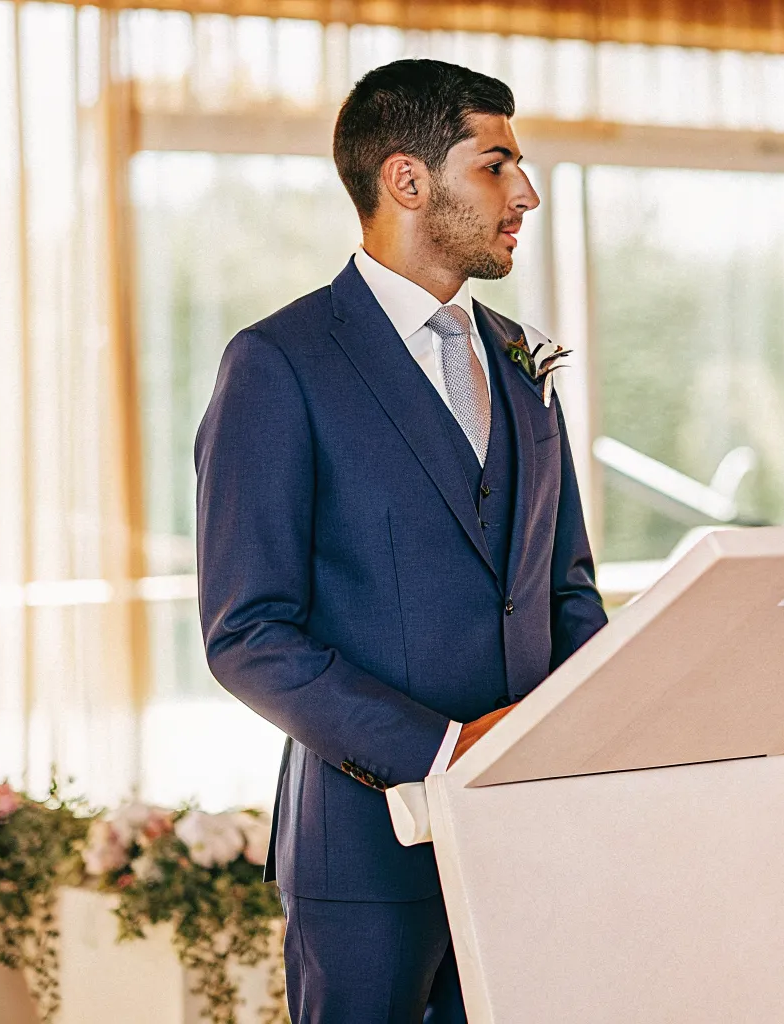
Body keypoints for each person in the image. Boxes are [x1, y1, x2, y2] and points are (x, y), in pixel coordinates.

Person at [194, 58, 606, 1024]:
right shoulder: (279, 364)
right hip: (367, 854)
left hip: (529, 841)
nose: (527, 194)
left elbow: (566, 587)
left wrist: (606, 733)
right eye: (497, 164)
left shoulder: (517, 357)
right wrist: (443, 748)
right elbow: (247, 633)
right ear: (406, 179)